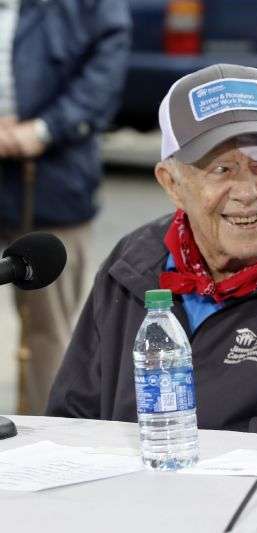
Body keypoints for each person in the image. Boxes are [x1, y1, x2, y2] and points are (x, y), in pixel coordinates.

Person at [46, 64, 257, 439]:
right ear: (172, 183)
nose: (247, 191)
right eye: (222, 168)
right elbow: (72, 420)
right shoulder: (134, 264)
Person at [0, 0, 131, 414]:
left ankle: (42, 445)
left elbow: (101, 79)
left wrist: (42, 130)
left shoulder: (93, 7)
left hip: (52, 183)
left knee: (47, 331)